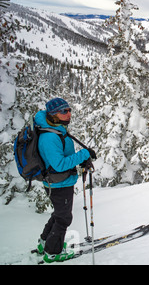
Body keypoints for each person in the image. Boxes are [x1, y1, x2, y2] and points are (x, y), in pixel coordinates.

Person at [34, 98, 96, 263]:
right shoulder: (49, 137)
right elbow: (59, 164)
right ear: (53, 114)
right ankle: (53, 252)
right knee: (63, 218)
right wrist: (83, 155)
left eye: (69, 110)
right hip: (59, 183)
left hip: (58, 181)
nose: (68, 113)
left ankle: (44, 243)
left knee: (58, 214)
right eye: (64, 111)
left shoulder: (55, 129)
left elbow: (62, 157)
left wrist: (80, 159)